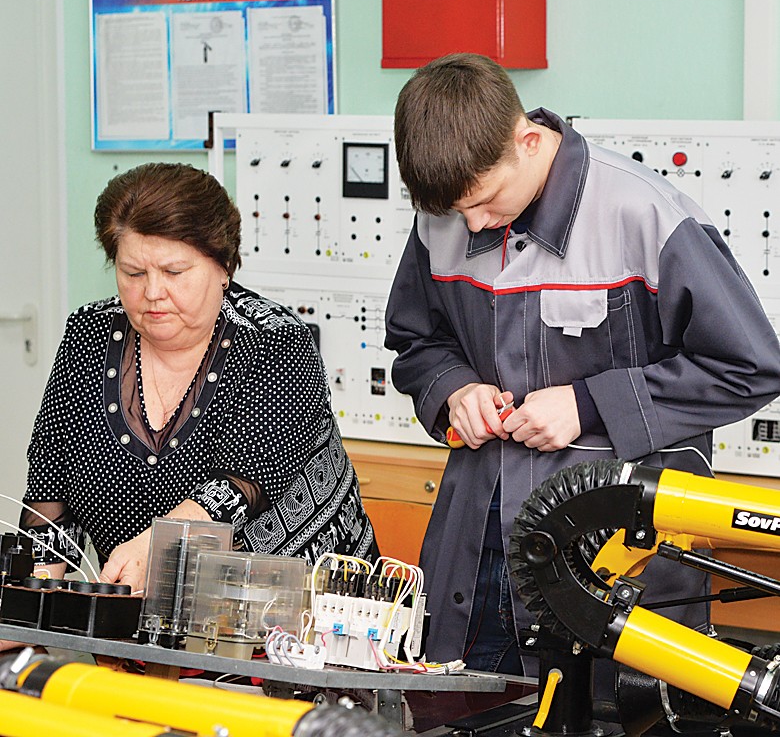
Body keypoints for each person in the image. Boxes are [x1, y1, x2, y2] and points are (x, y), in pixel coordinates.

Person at [384, 53, 780, 675]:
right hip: (479, 552)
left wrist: (587, 404)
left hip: (615, 558)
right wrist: (453, 388)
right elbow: (415, 340)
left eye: (486, 202)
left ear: (529, 140)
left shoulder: (645, 214)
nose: (473, 225)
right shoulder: (449, 214)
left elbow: (750, 367)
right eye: (457, 212)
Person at [18, 162, 377, 594]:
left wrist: (155, 546)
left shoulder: (275, 342)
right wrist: (28, 600)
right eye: (133, 273)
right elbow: (50, 485)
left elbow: (243, 484)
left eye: (173, 273)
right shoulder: (88, 335)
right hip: (137, 619)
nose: (152, 292)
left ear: (223, 265)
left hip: (294, 621)